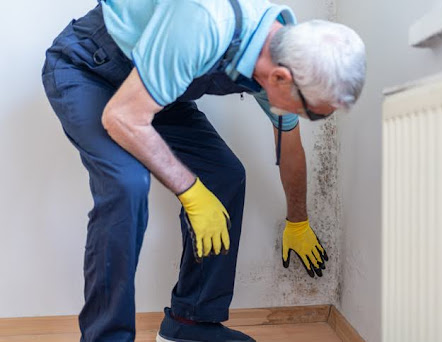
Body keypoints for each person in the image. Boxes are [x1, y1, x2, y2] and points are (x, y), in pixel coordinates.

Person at [41, 0, 366, 341]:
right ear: (282, 79)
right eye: (313, 113)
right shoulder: (205, 20)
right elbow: (121, 118)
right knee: (126, 184)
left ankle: (191, 325)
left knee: (224, 175)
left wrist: (297, 221)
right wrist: (191, 192)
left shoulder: (279, 56)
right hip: (89, 69)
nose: (306, 119)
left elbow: (289, 148)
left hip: (157, 89)